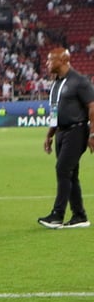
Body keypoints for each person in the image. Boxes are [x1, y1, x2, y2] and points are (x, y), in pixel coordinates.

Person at [37, 46, 94, 229]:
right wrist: (49, 135)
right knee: (71, 174)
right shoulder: (55, 83)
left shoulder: (79, 81)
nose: (47, 63)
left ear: (63, 60)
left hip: (77, 131)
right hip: (61, 132)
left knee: (62, 169)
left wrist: (93, 133)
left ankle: (57, 215)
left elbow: (92, 107)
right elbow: (54, 112)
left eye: (50, 60)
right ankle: (79, 215)